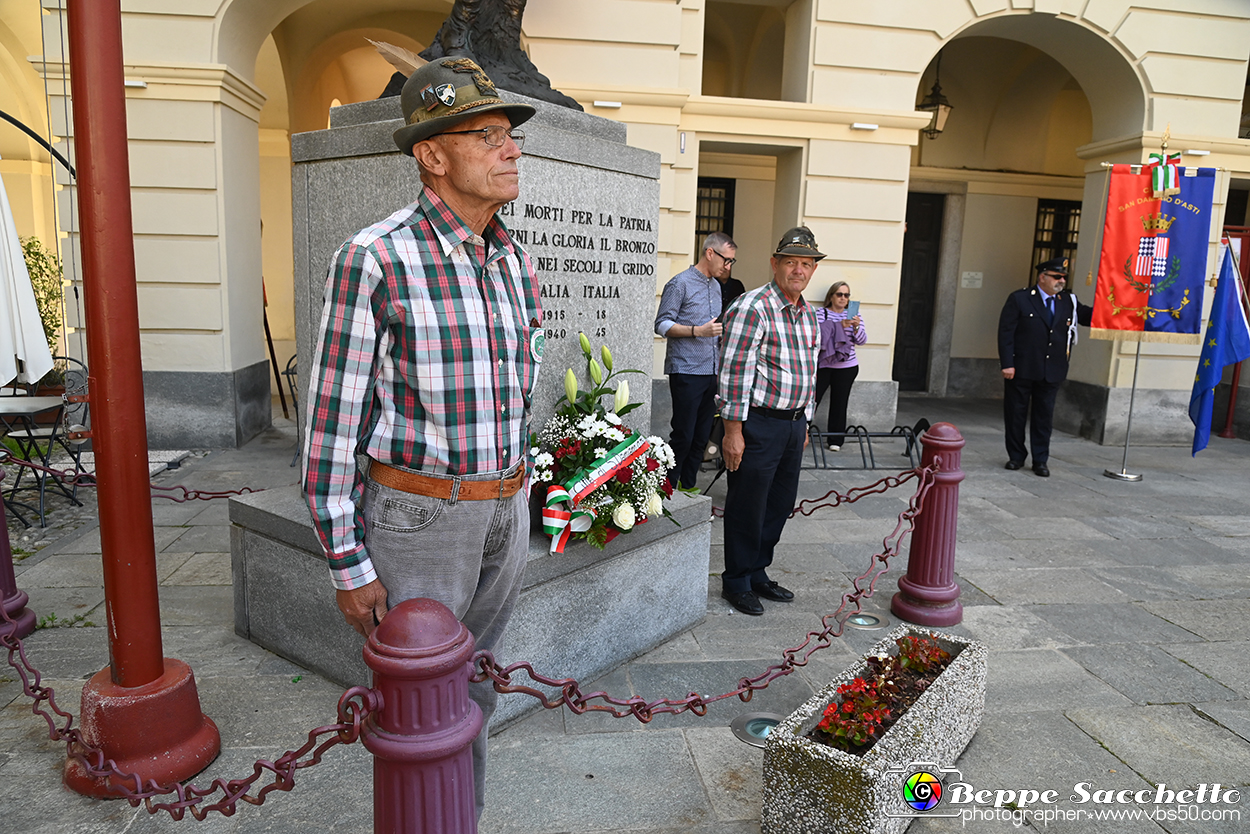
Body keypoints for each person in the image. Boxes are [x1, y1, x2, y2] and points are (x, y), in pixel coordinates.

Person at [302, 57, 541, 815]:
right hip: (419, 520)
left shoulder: (512, 260)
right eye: (490, 135)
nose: (512, 150)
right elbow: (332, 426)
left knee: (476, 687)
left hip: (506, 508)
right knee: (416, 704)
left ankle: (457, 814)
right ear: (432, 156)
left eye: (512, 136)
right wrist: (348, 563)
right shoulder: (375, 258)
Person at [717, 227, 823, 616]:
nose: (799, 270)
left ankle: (759, 571)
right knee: (747, 503)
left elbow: (810, 372)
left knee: (779, 504)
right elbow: (734, 373)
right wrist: (733, 431)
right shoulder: (752, 307)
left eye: (806, 263)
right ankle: (737, 580)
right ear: (775, 263)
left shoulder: (809, 314)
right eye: (791, 261)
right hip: (758, 424)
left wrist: (806, 421)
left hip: (793, 425)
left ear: (813, 270)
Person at [654, 231, 736, 493]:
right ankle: (667, 492)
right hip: (686, 370)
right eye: (727, 259)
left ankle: (688, 489)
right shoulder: (680, 284)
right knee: (683, 436)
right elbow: (662, 324)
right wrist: (696, 331)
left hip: (711, 370)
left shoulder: (715, 285)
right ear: (710, 253)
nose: (729, 266)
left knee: (701, 438)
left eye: (732, 261)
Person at [997, 256, 1092, 477]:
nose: (1061, 281)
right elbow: (1006, 333)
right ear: (1042, 277)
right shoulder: (1020, 299)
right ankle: (1016, 456)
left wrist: (1118, 306)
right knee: (1015, 414)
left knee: (1044, 417)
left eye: (1064, 277)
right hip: (1022, 368)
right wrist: (1007, 364)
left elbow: (1089, 316)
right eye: (1056, 277)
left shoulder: (1068, 301)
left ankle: (1040, 460)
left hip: (1052, 370)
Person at [814, 281, 865, 451]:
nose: (843, 298)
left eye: (847, 295)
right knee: (812, 400)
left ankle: (836, 440)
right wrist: (838, 326)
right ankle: (800, 433)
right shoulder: (821, 314)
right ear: (831, 296)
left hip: (847, 366)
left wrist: (856, 327)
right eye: (839, 294)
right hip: (824, 365)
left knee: (840, 403)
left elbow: (862, 341)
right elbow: (816, 336)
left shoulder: (855, 315)